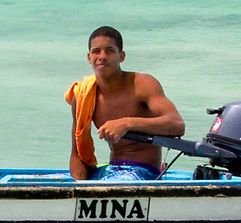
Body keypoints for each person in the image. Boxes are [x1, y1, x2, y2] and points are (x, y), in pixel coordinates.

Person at [65, 25, 183, 181]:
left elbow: (177, 125)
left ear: (121, 56)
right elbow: (77, 154)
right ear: (88, 57)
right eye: (96, 51)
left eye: (110, 50)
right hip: (111, 170)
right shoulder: (83, 95)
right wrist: (80, 187)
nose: (102, 56)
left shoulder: (142, 84)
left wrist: (127, 124)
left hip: (143, 172)